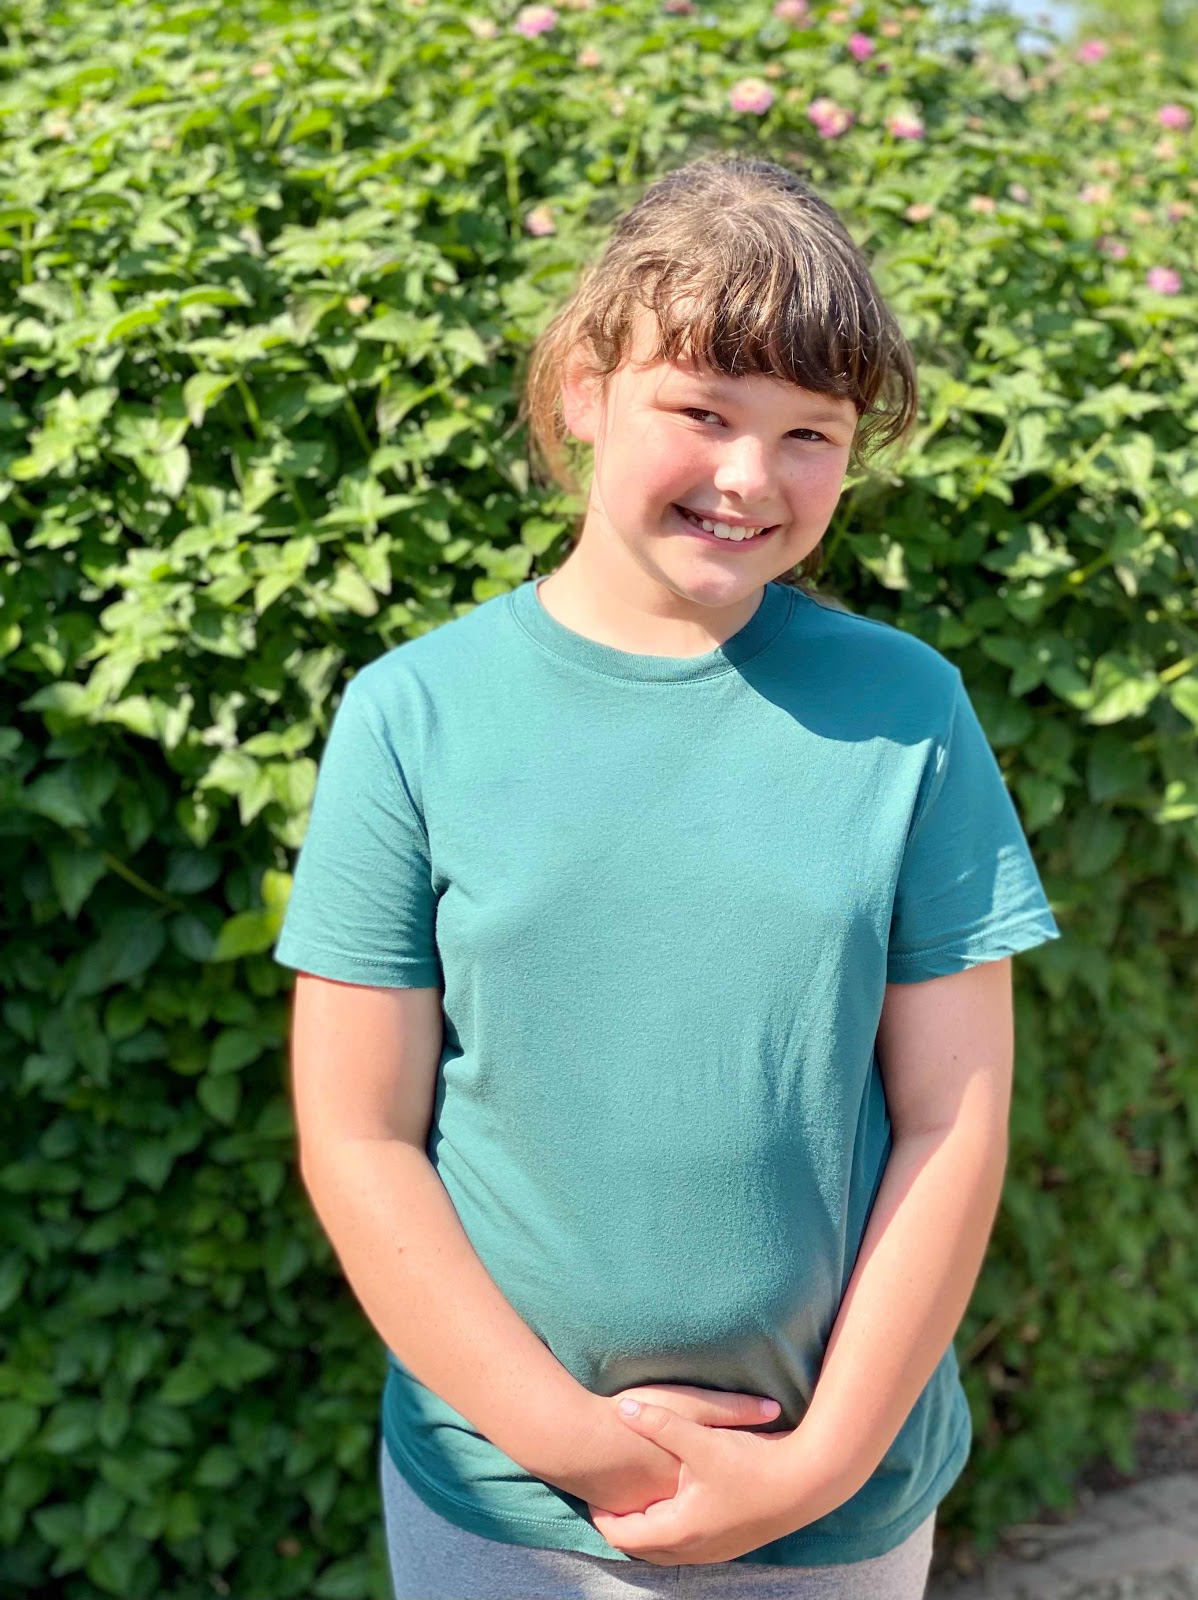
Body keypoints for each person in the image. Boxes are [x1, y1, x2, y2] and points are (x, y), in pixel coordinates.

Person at [272, 154, 1062, 1600]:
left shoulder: (908, 711)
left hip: (837, 1508)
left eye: (809, 432)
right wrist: (582, 1446)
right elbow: (358, 1134)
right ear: (584, 390)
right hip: (505, 1508)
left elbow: (954, 1117)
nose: (750, 477)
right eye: (702, 411)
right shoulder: (412, 716)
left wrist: (816, 1466)